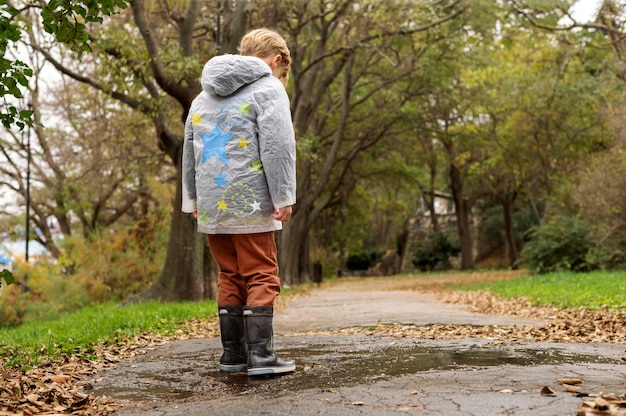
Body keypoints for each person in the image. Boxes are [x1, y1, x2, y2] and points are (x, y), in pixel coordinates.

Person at [181, 28, 296, 376]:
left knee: (230, 274)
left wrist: (193, 199)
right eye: (282, 70)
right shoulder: (268, 88)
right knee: (262, 272)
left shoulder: (203, 96)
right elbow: (278, 147)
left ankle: (233, 356)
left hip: (213, 202)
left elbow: (189, 151)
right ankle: (262, 357)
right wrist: (284, 195)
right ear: (277, 60)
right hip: (251, 200)